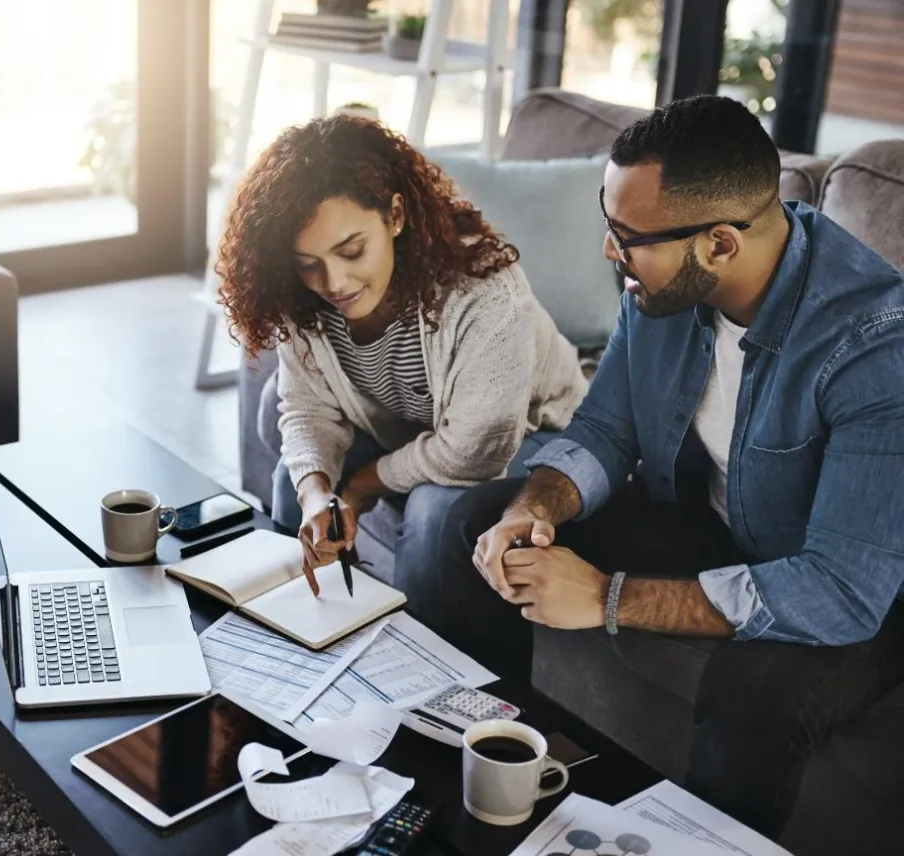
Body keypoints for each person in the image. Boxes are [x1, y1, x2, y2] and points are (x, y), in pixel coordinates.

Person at [436, 94, 904, 839]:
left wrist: (608, 598)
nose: (606, 251)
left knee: (753, 695)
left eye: (626, 236)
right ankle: (467, 792)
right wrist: (539, 507)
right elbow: (607, 428)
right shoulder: (660, 289)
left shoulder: (876, 345)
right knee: (470, 523)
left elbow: (842, 590)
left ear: (720, 242)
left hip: (850, 586)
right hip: (713, 526)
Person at [214, 114, 587, 618]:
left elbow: (472, 451)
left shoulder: (487, 294)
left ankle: (424, 672)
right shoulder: (304, 295)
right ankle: (304, 628)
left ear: (394, 215)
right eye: (309, 263)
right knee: (292, 480)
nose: (334, 281)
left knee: (435, 513)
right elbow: (305, 407)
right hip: (414, 425)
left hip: (531, 431)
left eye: (352, 250)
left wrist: (360, 486)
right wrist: (318, 493)